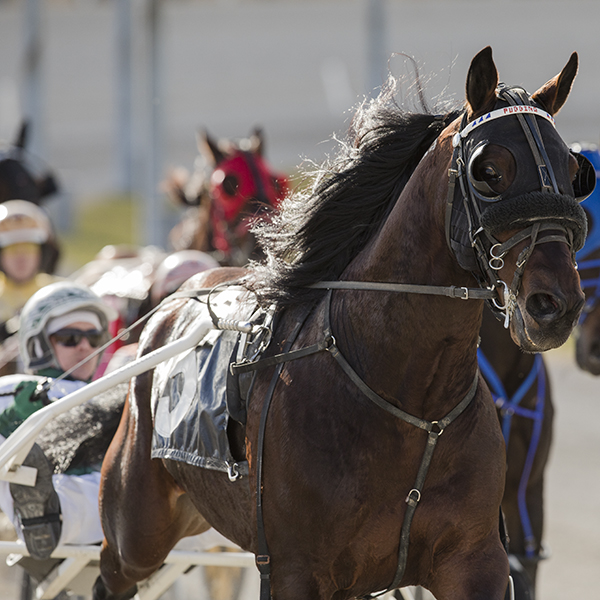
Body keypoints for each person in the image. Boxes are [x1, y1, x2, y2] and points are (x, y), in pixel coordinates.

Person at [0, 281, 117, 559]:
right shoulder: (16, 390)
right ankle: (44, 515)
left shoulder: (113, 388)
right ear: (38, 344)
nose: (85, 347)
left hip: (129, 510)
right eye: (70, 338)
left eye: (95, 338)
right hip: (63, 514)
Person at [0, 200, 60, 342]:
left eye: (28, 247)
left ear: (43, 253)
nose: (21, 257)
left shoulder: (60, 292)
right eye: (12, 249)